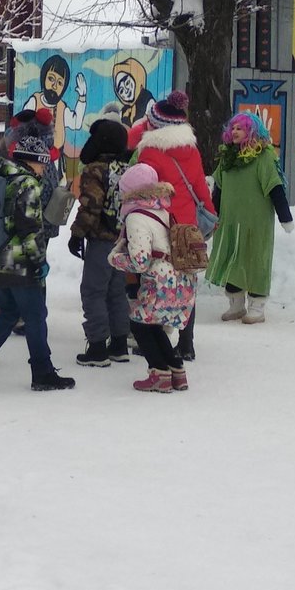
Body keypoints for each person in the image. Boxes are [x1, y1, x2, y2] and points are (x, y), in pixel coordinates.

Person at [0, 134, 76, 392]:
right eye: (42, 164)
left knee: (9, 313)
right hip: (22, 262)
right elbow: (29, 227)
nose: (44, 169)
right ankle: (42, 372)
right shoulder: (27, 184)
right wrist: (37, 261)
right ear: (32, 161)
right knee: (35, 316)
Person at [135, 89, 216, 360]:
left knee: (157, 282)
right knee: (186, 283)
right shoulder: (190, 151)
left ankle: (160, 337)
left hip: (161, 225)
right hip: (188, 226)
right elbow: (199, 188)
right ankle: (187, 343)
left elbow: (147, 192)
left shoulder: (149, 154)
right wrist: (210, 216)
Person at [108, 163, 195, 393]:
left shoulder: (136, 217)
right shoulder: (162, 208)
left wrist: (115, 259)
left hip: (159, 279)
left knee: (138, 323)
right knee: (151, 322)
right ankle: (176, 370)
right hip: (179, 277)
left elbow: (140, 260)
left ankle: (158, 373)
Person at [205, 113, 293, 324]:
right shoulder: (227, 159)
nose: (235, 131)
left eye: (240, 128)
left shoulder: (263, 157)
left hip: (256, 223)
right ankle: (236, 304)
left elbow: (275, 187)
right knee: (231, 260)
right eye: (233, 127)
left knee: (256, 262)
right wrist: (212, 217)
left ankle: (257, 306)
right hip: (230, 222)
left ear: (252, 132)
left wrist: (285, 216)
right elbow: (218, 189)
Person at [68, 117, 132, 367]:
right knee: (117, 292)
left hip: (102, 241)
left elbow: (91, 206)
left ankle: (96, 347)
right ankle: (118, 344)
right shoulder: (127, 167)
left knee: (93, 291)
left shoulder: (96, 170)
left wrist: (77, 233)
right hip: (123, 240)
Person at [26, 54, 87, 157]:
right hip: (34, 156)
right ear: (43, 78)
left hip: (56, 157)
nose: (54, 86)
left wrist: (82, 97)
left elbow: (75, 123)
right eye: (51, 79)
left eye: (59, 83)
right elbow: (23, 126)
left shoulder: (62, 107)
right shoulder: (34, 101)